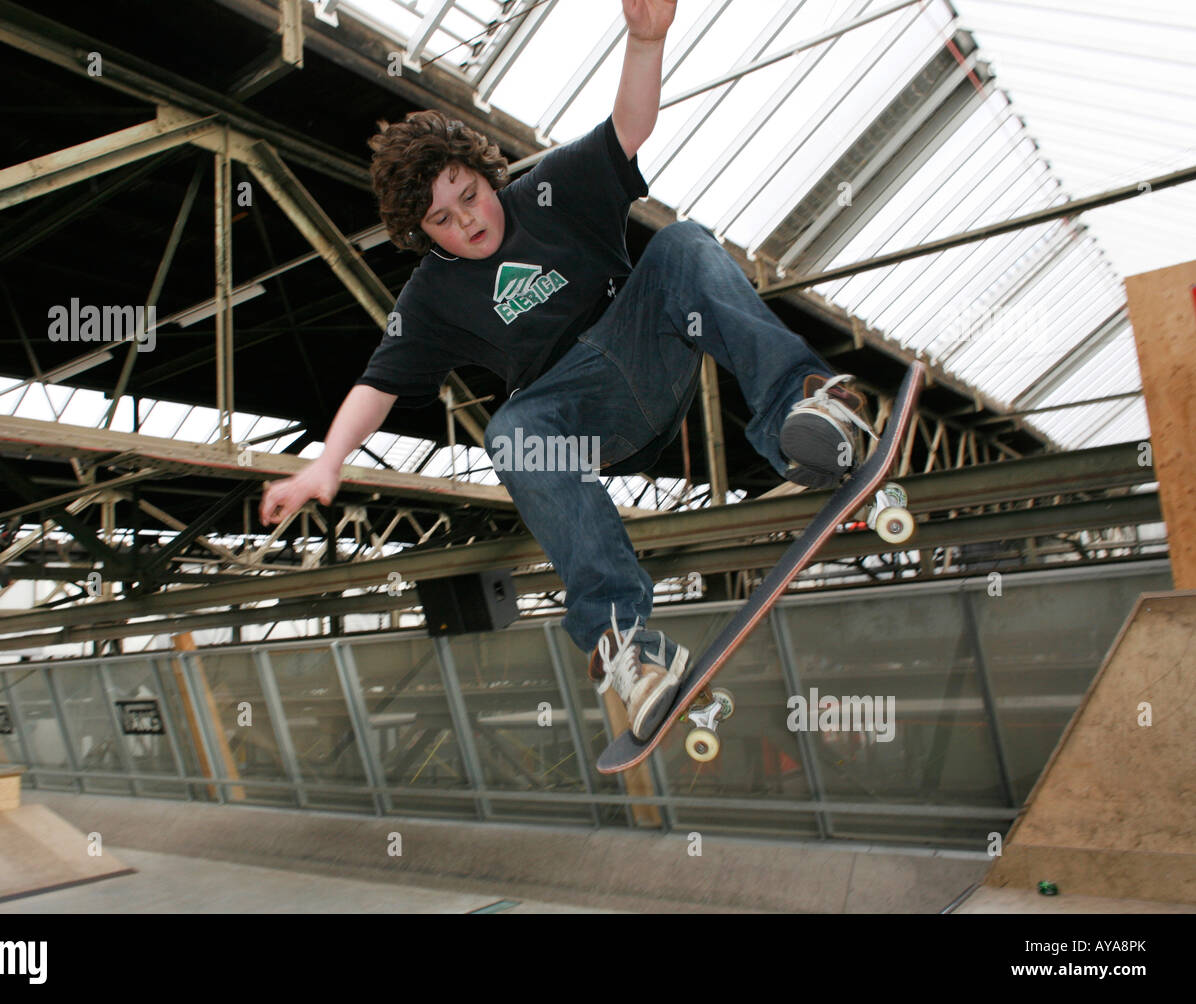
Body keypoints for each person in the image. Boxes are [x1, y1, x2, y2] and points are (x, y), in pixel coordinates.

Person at [260, 0, 873, 744]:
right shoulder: (430, 294)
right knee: (511, 429)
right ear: (420, 233)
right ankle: (627, 645)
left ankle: (805, 416)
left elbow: (628, 129)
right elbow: (378, 383)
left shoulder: (555, 188)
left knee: (681, 244)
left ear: (486, 174)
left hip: (648, 342)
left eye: (469, 196)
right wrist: (326, 463)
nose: (468, 223)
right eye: (443, 222)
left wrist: (645, 41)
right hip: (580, 414)